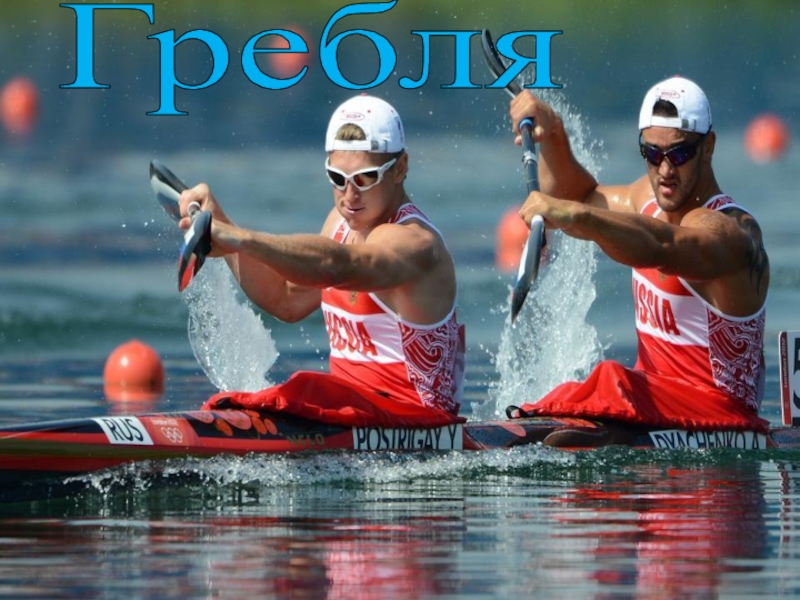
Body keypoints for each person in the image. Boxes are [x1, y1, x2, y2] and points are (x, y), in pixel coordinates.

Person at [506, 76, 770, 443]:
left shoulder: (732, 232)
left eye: (680, 153)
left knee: (610, 377)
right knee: (598, 386)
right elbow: (579, 196)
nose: (666, 170)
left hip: (721, 417)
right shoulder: (647, 197)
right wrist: (552, 133)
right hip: (649, 407)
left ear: (708, 146)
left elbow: (662, 246)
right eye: (652, 153)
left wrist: (575, 215)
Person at [177, 95, 465, 427]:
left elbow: (339, 266)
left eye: (365, 178)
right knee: (290, 391)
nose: (349, 195)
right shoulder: (340, 223)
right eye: (338, 177)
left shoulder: (416, 243)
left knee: (305, 385)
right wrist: (221, 226)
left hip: (419, 423)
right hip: (347, 413)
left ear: (400, 169)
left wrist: (241, 238)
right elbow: (285, 299)